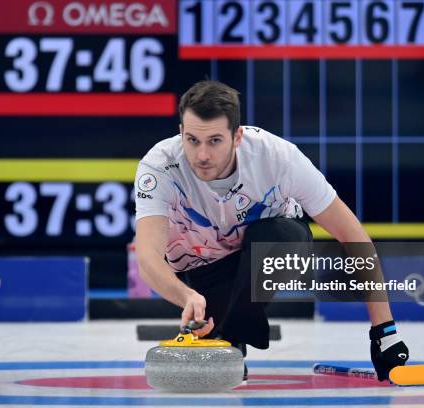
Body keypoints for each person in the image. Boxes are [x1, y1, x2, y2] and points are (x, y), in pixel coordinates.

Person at [134, 80, 408, 381]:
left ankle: (232, 334)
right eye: (192, 140)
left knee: (283, 237)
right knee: (216, 336)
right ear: (180, 133)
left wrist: (385, 331)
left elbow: (352, 236)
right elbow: (148, 258)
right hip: (203, 271)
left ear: (237, 136)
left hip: (272, 251)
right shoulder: (159, 167)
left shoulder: (278, 157)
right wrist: (187, 297)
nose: (201, 155)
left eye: (214, 141)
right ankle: (228, 335)